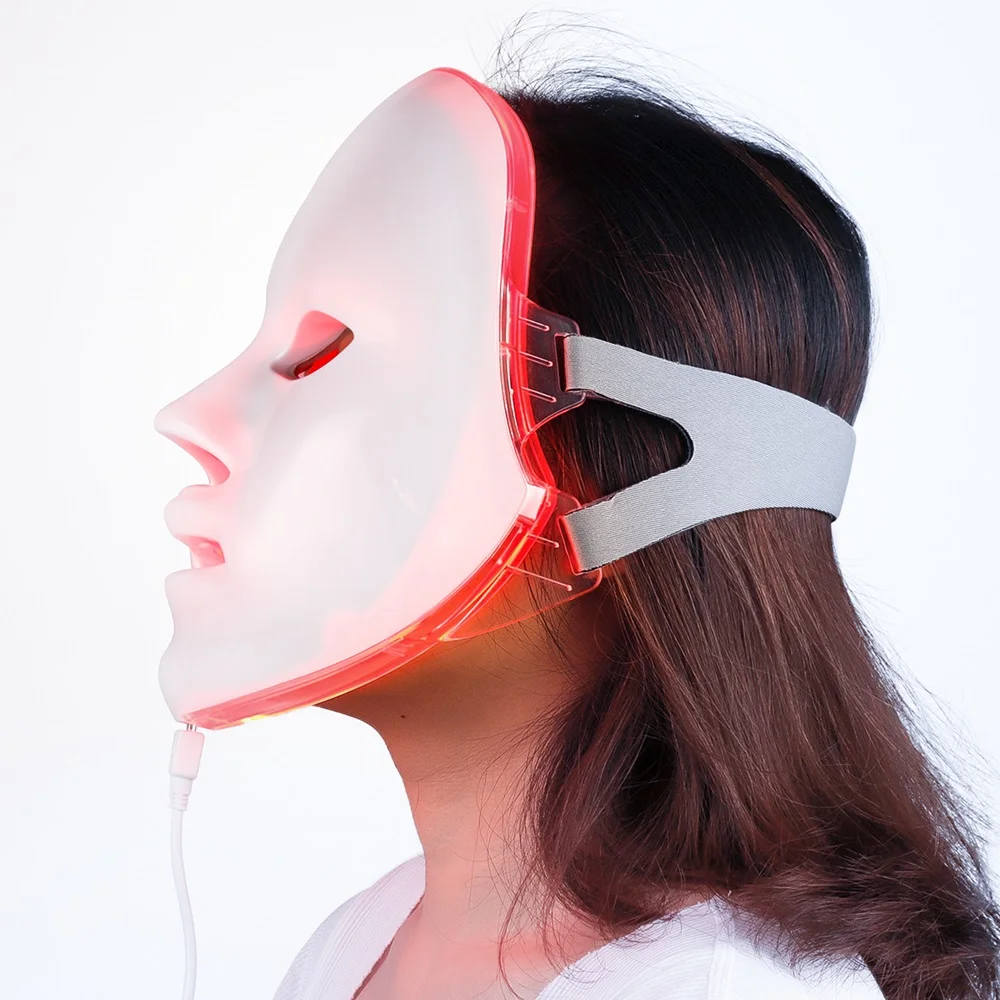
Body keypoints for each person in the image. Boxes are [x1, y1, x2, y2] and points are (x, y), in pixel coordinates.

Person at [264, 57, 1000, 1000]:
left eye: (323, 360)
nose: (193, 420)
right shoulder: (361, 940)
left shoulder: (716, 987)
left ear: (604, 495)